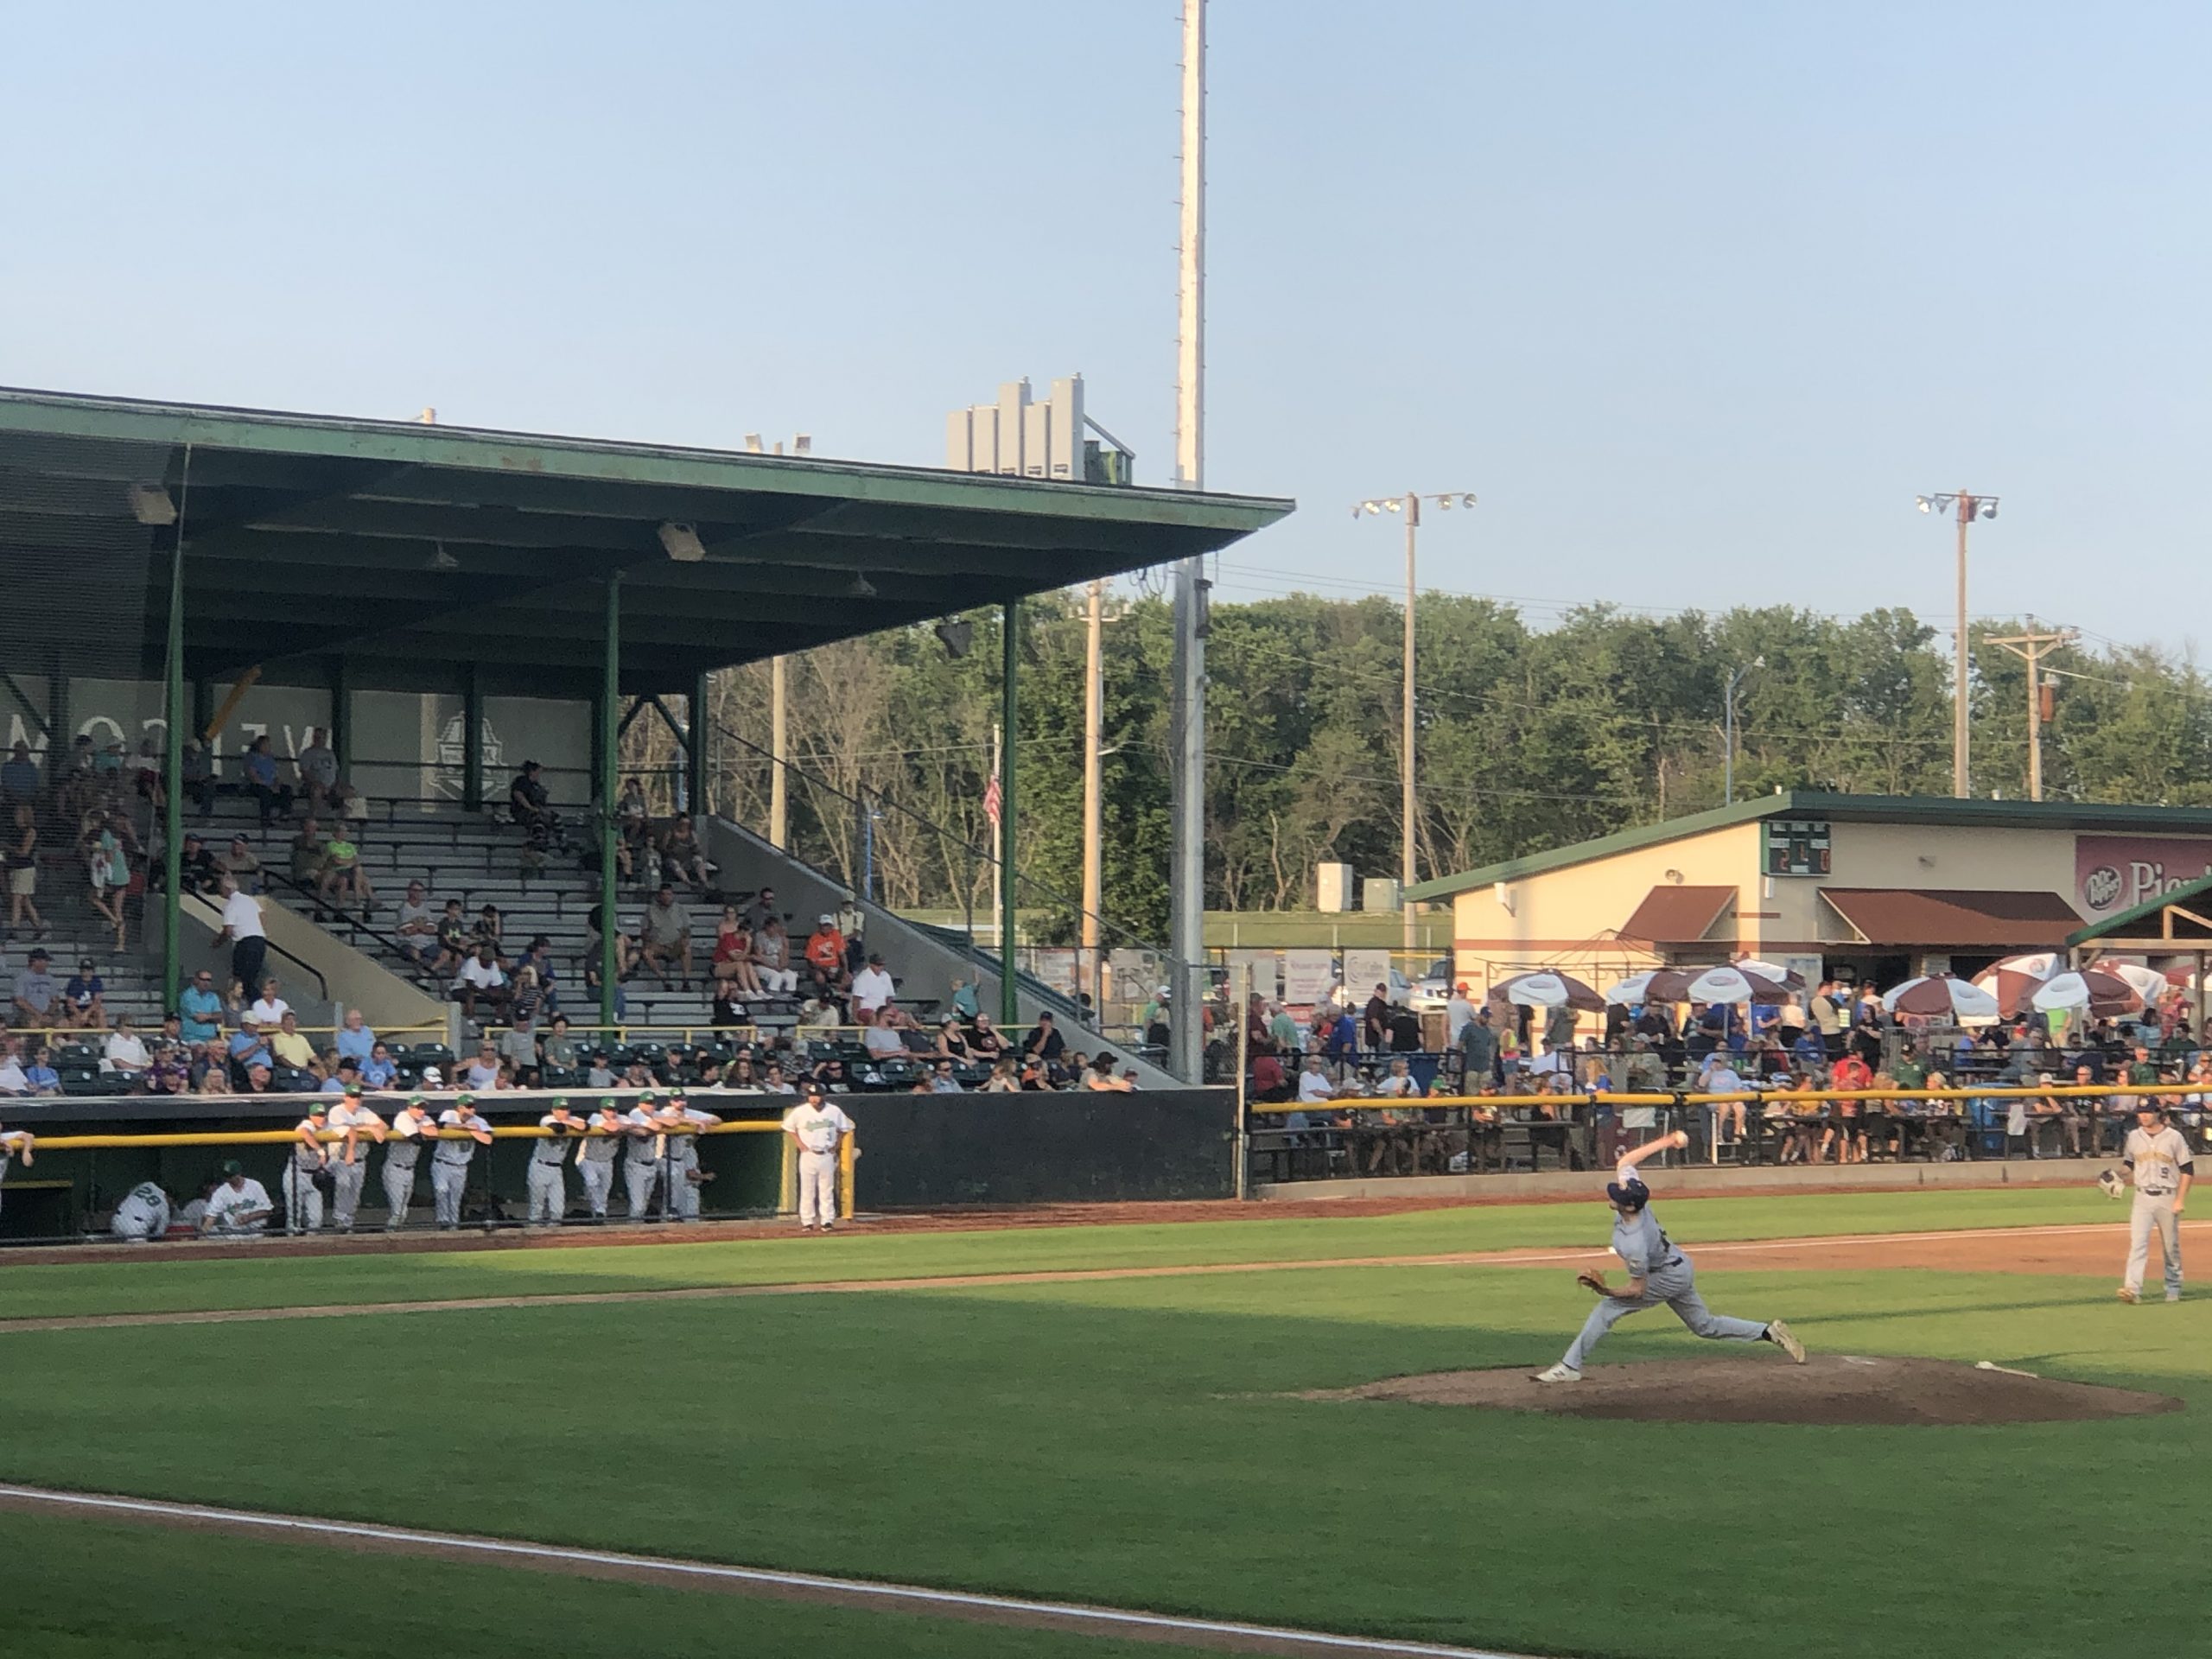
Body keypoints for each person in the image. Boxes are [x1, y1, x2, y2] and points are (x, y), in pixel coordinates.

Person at [1534, 1134, 1806, 1382]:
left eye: (1618, 1195)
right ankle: (1768, 1332)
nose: (1612, 1193)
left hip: (1667, 1275)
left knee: (1608, 1309)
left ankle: (1570, 1366)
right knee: (1704, 1325)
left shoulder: (1635, 1242)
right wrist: (1667, 1141)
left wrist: (1605, 1290)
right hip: (1678, 1265)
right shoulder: (1634, 1202)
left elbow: (1637, 1289)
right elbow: (1627, 1160)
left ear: (1629, 1206)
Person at [2115, 1099, 2192, 1304]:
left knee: (2170, 1247)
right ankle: (2132, 1289)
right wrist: (2119, 1175)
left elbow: (2187, 1170)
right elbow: (2129, 1163)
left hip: (2168, 1196)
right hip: (2142, 1198)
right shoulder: (2133, 1136)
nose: (2144, 1116)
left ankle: (2174, 1287)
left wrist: (2180, 1199)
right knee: (2138, 1244)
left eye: (2148, 1112)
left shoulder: (2174, 1137)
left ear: (2157, 1113)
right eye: (2141, 1112)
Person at [783, 1082, 855, 1232]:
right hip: (808, 1154)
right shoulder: (800, 1111)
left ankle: (827, 1221)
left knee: (826, 1189)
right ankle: (807, 1221)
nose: (814, 1099)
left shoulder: (834, 1110)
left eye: (816, 1096)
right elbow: (788, 1127)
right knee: (807, 1189)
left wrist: (837, 1145)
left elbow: (845, 1128)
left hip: (826, 1153)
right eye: (811, 1096)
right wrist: (799, 1144)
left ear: (823, 1096)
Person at [326, 1083, 386, 1233]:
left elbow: (384, 1126)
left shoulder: (364, 1111)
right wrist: (368, 1127)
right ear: (345, 1098)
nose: (356, 1100)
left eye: (358, 1097)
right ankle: (339, 1221)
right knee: (343, 1184)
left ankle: (348, 1224)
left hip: (360, 1160)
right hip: (339, 1158)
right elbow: (348, 1129)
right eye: (352, 1097)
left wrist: (371, 1126)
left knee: (355, 1194)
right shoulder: (337, 1111)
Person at [429, 1093, 493, 1229]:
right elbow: (444, 1126)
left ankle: (453, 1226)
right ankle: (442, 1221)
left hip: (461, 1166)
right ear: (459, 1108)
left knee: (455, 1199)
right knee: (441, 1190)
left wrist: (475, 1132)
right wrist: (468, 1128)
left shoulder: (478, 1120)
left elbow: (488, 1139)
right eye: (468, 1107)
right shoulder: (450, 1114)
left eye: (473, 1107)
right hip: (442, 1163)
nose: (471, 1110)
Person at [531, 1096, 584, 1225]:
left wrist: (570, 1122)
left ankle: (553, 1239)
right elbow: (557, 1128)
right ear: (553, 1110)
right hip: (540, 1166)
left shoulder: (572, 1119)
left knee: (558, 1210)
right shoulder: (547, 1119)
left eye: (566, 1109)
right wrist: (571, 1124)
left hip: (557, 1169)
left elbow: (585, 1126)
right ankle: (533, 1235)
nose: (564, 1112)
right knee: (537, 1207)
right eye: (560, 1109)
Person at [623, 1091, 676, 1220]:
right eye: (646, 1103)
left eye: (652, 1103)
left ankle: (638, 1232)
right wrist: (657, 1121)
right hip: (636, 1165)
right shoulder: (635, 1113)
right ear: (640, 1104)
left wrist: (656, 1119)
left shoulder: (655, 1114)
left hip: (651, 1164)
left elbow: (673, 1122)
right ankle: (632, 1231)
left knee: (644, 1205)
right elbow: (655, 1126)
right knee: (638, 1206)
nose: (649, 1106)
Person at [215, 874, 268, 998]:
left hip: (245, 944)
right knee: (251, 978)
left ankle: (253, 1004)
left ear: (226, 889)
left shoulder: (231, 905)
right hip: (259, 941)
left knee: (241, 980)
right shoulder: (249, 900)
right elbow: (262, 917)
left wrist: (218, 942)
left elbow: (228, 930)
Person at [285, 1099, 332, 1235]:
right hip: (296, 1174)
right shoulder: (306, 1124)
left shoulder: (327, 1127)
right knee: (294, 1218)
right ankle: (290, 1245)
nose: (320, 1118)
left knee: (316, 1219)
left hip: (315, 1176)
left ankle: (310, 1246)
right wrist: (320, 1151)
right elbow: (305, 1133)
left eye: (322, 1115)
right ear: (310, 1116)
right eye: (317, 1115)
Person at [578, 1096, 627, 1222]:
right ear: (602, 1110)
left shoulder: (621, 1118)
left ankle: (600, 1217)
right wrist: (623, 1127)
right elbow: (612, 1128)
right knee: (592, 1182)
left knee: (604, 1191)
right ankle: (597, 1208)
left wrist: (622, 1126)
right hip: (588, 1159)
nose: (612, 1112)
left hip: (607, 1161)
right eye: (608, 1109)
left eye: (614, 1109)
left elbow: (637, 1127)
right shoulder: (595, 1117)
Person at [200, 1160, 273, 1235]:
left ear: (239, 1174)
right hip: (233, 1233)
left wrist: (249, 1217)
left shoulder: (255, 1186)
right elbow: (211, 1217)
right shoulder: (221, 1192)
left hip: (257, 1231)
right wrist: (202, 1235)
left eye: (230, 1176)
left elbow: (268, 1211)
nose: (228, 1179)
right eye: (226, 1176)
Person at [109, 1179, 170, 1243]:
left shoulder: (146, 1185)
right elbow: (159, 1233)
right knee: (142, 1251)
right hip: (135, 1227)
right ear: (170, 1197)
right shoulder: (164, 1204)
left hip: (118, 1220)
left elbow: (131, 1194)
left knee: (119, 1250)